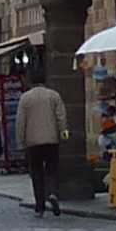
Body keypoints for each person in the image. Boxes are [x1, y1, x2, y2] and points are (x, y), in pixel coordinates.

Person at [10, 71, 70, 214]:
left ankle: (40, 205)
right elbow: (61, 116)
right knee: (52, 169)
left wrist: (20, 143)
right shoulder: (53, 95)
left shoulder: (25, 98)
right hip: (51, 139)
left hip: (32, 141)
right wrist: (63, 132)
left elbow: (20, 122)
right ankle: (52, 192)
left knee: (36, 172)